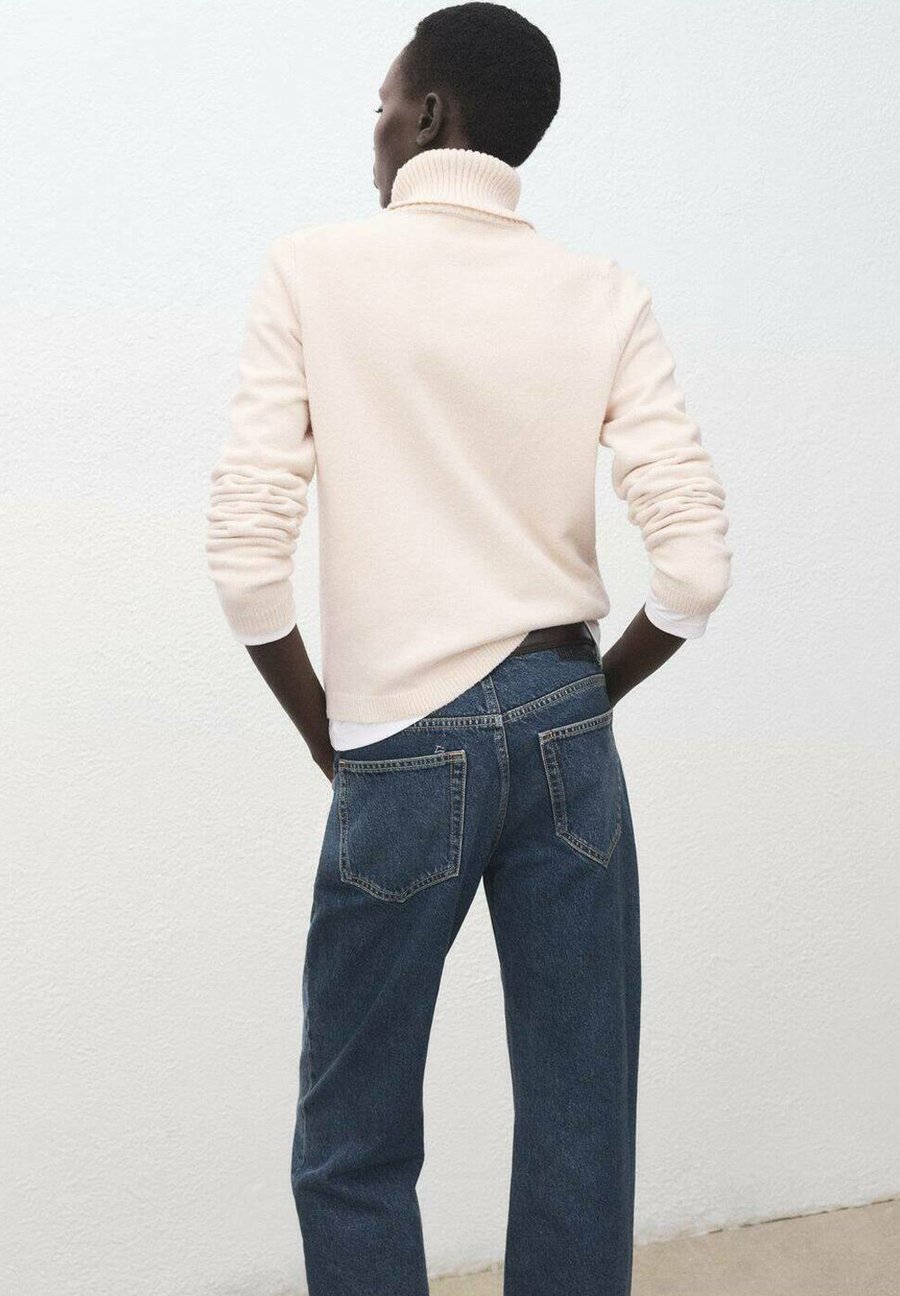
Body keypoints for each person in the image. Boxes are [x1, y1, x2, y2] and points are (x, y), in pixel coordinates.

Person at [205, 4, 732, 1292]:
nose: (376, 130)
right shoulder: (602, 294)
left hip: (400, 741)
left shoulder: (313, 271)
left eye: (385, 104)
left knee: (355, 1135)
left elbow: (245, 559)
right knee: (580, 1115)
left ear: (431, 113)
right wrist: (589, 696)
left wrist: (331, 731)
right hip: (566, 727)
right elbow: (696, 569)